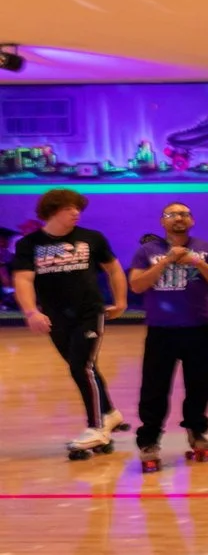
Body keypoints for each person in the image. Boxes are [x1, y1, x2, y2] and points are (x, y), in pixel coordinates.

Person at [10, 188, 127, 455]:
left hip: (89, 312)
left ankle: (97, 428)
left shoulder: (92, 238)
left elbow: (114, 270)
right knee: (85, 367)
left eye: (78, 208)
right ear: (51, 211)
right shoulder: (29, 244)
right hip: (56, 317)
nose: (76, 213)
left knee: (81, 368)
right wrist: (31, 312)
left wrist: (121, 302)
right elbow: (23, 279)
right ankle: (110, 413)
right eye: (68, 208)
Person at [124, 201, 208, 469]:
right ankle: (149, 440)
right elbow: (136, 285)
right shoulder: (147, 251)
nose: (178, 218)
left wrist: (196, 262)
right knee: (154, 388)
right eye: (172, 214)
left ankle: (197, 431)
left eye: (184, 214)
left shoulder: (205, 248)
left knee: (201, 385)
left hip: (198, 327)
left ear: (192, 221)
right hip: (161, 330)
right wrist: (168, 260)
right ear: (162, 222)